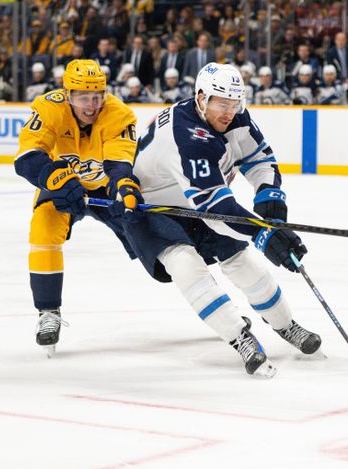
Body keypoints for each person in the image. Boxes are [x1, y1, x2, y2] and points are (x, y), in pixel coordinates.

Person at [124, 62, 322, 376]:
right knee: (185, 264)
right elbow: (215, 209)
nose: (229, 112)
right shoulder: (188, 136)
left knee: (240, 259)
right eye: (222, 104)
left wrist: (269, 196)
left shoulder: (234, 116)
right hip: (151, 207)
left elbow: (258, 158)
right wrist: (263, 234)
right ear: (201, 98)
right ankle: (238, 336)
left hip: (196, 200)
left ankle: (286, 325)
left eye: (234, 103)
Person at [14, 59, 141, 354]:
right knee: (43, 230)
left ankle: (209, 299)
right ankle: (48, 313)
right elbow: (27, 155)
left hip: (104, 190)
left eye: (97, 96)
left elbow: (119, 164)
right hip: (62, 188)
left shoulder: (118, 113)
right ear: (68, 93)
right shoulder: (49, 108)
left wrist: (123, 187)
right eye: (84, 97)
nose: (92, 105)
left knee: (156, 247)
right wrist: (55, 176)